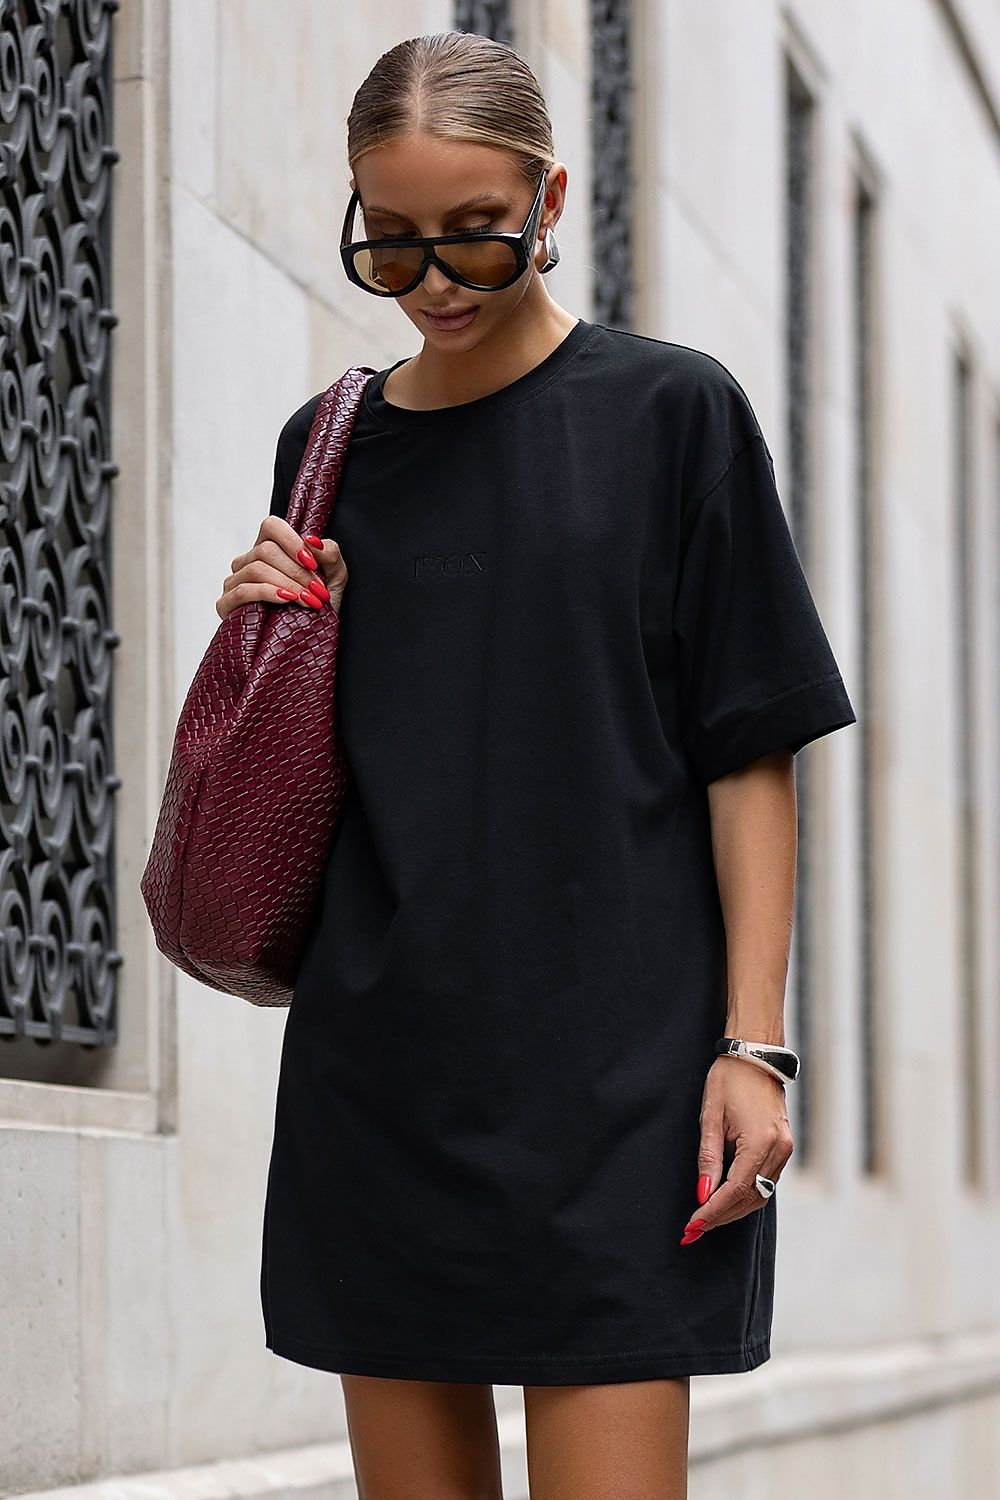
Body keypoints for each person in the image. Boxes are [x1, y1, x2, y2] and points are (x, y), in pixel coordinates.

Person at [216, 29, 856, 1500]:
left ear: (550, 198)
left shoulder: (671, 416)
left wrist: (753, 1046)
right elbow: (304, 752)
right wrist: (259, 632)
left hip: (628, 1086)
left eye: (474, 242)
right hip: (385, 1074)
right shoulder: (328, 446)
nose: (433, 283)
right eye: (391, 247)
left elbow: (750, 749)